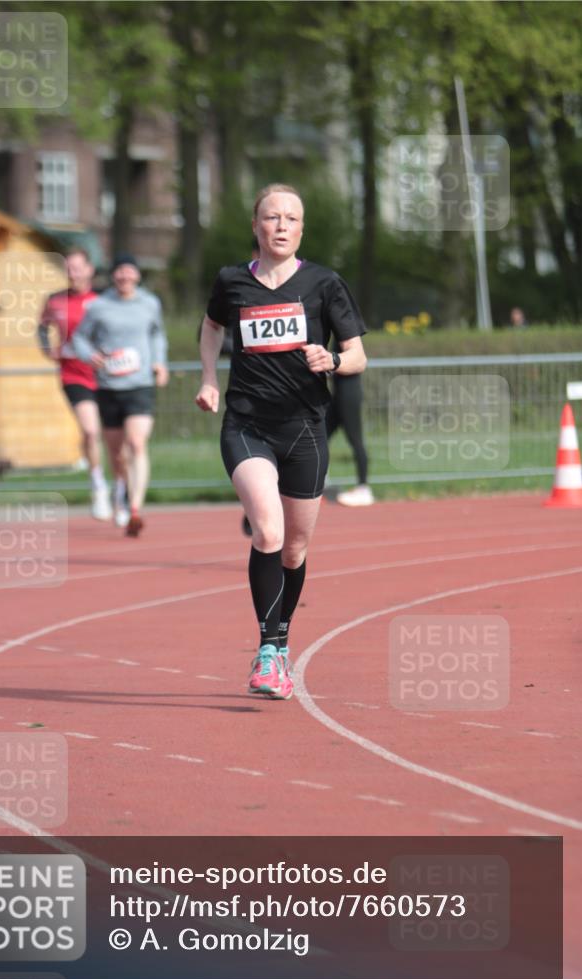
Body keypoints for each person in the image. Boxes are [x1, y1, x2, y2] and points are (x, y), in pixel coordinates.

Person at [195, 183, 367, 700]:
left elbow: (358, 354)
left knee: (294, 547)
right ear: (257, 225)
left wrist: (332, 360)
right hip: (247, 425)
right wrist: (208, 377)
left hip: (306, 429)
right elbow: (209, 326)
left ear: (301, 228)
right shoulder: (231, 281)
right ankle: (269, 653)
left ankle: (281, 640)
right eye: (272, 217)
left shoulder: (324, 283)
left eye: (292, 218)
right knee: (267, 532)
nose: (282, 225)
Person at [73, 253, 169, 537]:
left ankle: (135, 507)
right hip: (108, 387)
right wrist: (90, 356)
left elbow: (157, 335)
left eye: (130, 272)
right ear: (113, 276)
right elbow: (79, 337)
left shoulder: (150, 303)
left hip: (139, 384)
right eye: (120, 272)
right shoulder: (99, 306)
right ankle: (121, 489)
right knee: (116, 453)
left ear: (137, 276)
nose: (125, 277)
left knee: (137, 443)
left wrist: (159, 362)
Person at [38, 248, 111, 520]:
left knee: (119, 440)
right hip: (73, 374)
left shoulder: (103, 298)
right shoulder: (55, 300)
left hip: (106, 374)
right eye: (68, 268)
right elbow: (41, 327)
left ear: (90, 269)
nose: (73, 273)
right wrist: (47, 348)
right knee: (91, 432)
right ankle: (98, 485)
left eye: (78, 268)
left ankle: (123, 492)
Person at [327, 372, 374, 506]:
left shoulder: (348, 350)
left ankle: (363, 489)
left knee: (356, 441)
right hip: (337, 396)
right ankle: (316, 485)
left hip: (349, 396)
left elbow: (351, 363)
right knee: (319, 439)